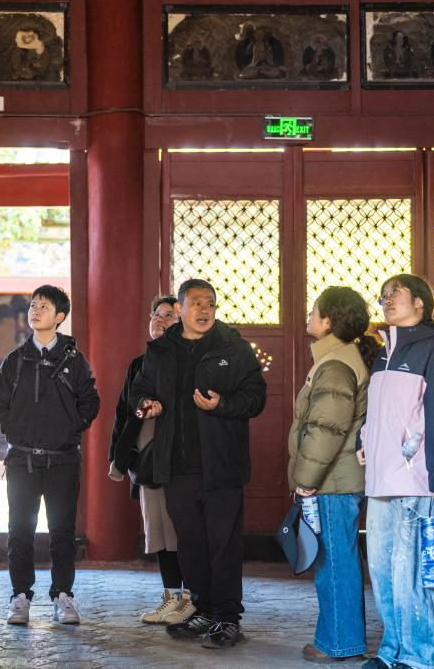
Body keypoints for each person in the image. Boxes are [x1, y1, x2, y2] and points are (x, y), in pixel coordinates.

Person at [130, 279, 267, 649]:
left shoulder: (234, 348)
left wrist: (222, 404)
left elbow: (255, 397)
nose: (204, 310)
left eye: (210, 303)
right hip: (176, 466)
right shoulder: (161, 350)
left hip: (221, 465)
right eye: (196, 303)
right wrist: (146, 405)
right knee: (190, 544)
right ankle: (204, 609)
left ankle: (228, 618)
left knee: (223, 545)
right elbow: (138, 390)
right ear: (180, 309)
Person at [358, 274, 434, 669]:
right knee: (384, 572)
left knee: (418, 574)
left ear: (420, 302)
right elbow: (379, 413)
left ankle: (422, 657)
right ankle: (392, 652)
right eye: (384, 294)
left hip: (419, 480)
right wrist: (363, 441)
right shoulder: (383, 352)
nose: (387, 299)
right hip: (381, 479)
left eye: (396, 293)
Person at [0, 285, 101, 626]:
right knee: (19, 530)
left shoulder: (74, 360)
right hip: (22, 460)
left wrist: (71, 429)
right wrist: (14, 431)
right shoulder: (16, 360)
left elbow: (90, 401)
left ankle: (63, 596)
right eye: (33, 306)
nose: (35, 311)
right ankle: (20, 596)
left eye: (44, 307)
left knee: (62, 531)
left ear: (60, 316)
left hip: (63, 459)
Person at [288, 287, 379, 663]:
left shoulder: (336, 364)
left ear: (327, 321)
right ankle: (341, 638)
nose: (309, 317)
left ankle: (339, 643)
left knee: (335, 561)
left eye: (314, 312)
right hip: (336, 478)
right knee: (337, 557)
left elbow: (327, 429)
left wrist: (305, 480)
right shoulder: (336, 358)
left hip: (333, 480)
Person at [108, 295, 195, 625]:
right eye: (156, 315)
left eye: (169, 315)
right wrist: (119, 457)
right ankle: (170, 597)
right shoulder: (138, 364)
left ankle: (191, 597)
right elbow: (126, 412)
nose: (160, 320)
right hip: (147, 459)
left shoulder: (190, 360)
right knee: (158, 528)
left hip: (181, 458)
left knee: (182, 529)